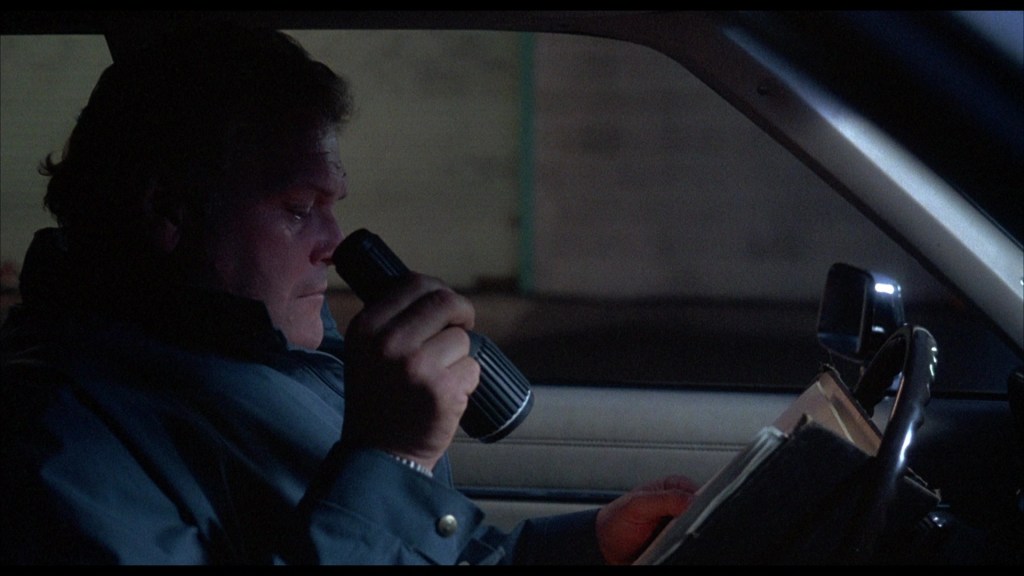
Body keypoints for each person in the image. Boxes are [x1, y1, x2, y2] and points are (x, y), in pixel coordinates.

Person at [0, 21, 698, 565]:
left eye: (332, 204)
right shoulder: (55, 437)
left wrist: (585, 548)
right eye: (298, 206)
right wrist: (393, 457)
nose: (334, 240)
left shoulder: (270, 358)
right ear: (169, 211)